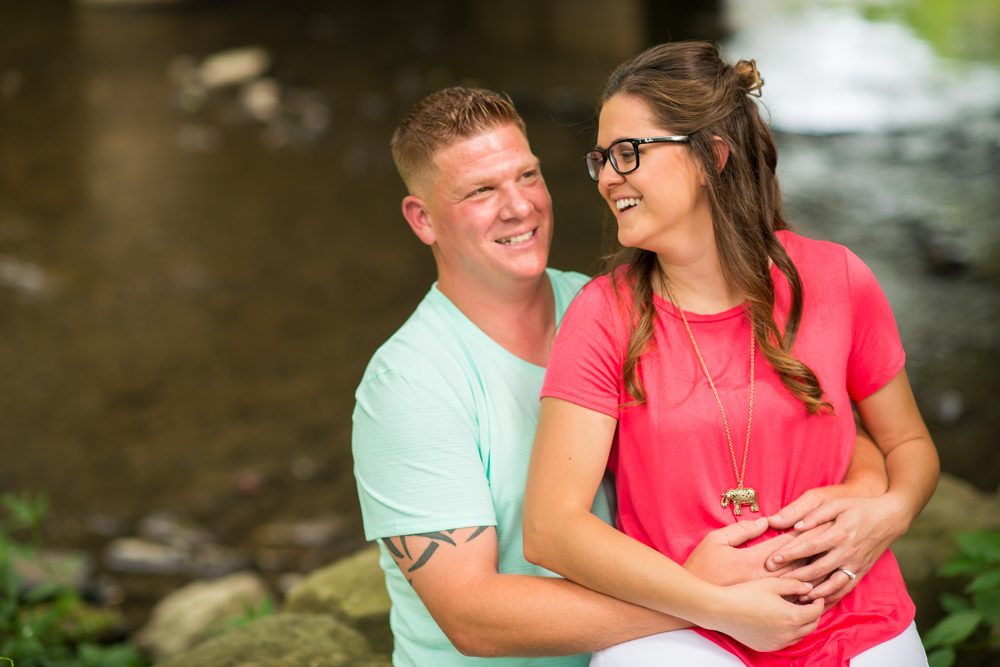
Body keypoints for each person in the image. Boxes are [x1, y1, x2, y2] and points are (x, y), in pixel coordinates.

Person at [352, 86, 895, 667]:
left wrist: (867, 493)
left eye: (527, 176)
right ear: (422, 219)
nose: (519, 206)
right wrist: (708, 601)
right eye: (481, 191)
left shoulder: (605, 308)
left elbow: (792, 420)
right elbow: (471, 617)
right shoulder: (408, 388)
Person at [522, 43, 940, 666]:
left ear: (711, 156)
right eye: (601, 158)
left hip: (856, 612)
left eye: (629, 152)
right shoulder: (603, 315)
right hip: (682, 628)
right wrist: (715, 605)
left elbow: (911, 446)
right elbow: (551, 528)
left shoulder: (836, 279)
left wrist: (887, 515)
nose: (608, 176)